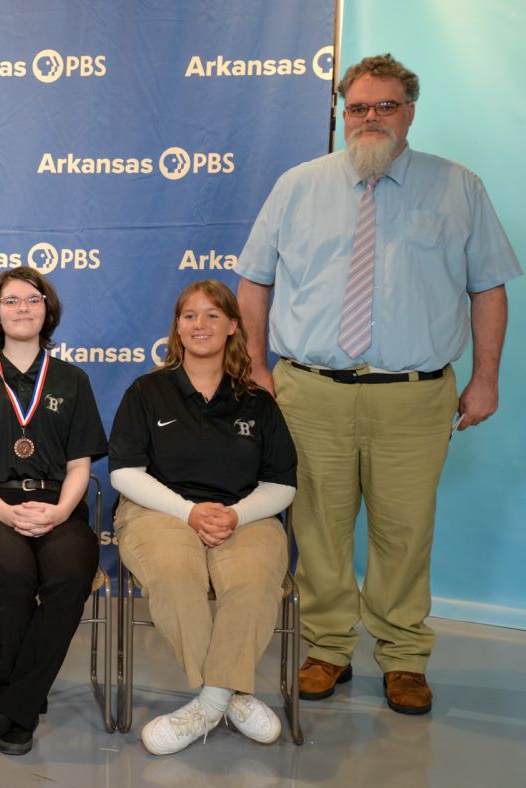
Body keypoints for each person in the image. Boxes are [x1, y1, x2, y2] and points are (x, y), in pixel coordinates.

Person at [236, 54, 521, 715]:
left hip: (414, 395)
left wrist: (485, 378)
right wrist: (256, 367)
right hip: (311, 392)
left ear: (409, 112)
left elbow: (488, 288)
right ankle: (328, 648)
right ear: (343, 114)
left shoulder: (459, 188)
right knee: (318, 527)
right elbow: (254, 282)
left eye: (385, 106)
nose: (370, 118)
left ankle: (403, 657)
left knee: (406, 530)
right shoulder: (298, 186)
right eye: (358, 107)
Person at [109, 279, 297, 756]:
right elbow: (124, 472)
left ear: (233, 326)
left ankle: (209, 705)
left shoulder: (256, 400)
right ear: (177, 327)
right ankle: (231, 694)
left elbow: (282, 483)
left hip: (244, 514)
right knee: (176, 576)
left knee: (254, 582)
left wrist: (235, 515)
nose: (200, 324)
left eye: (213, 315)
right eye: (190, 315)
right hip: (159, 510)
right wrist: (189, 512)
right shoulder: (148, 391)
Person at [0, 268, 106, 757]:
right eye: (11, 301)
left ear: (47, 310)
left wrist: (60, 512)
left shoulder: (73, 380)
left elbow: (80, 466)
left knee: (69, 576)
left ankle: (11, 706)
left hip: (58, 507)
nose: (23, 308)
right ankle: (24, 706)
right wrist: (7, 514)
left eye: (33, 299)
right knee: (13, 575)